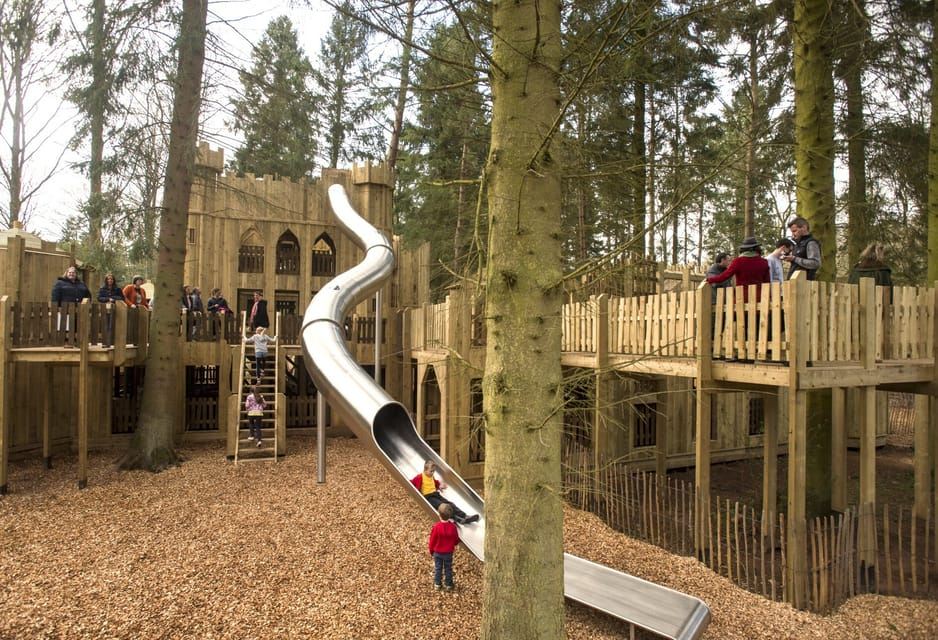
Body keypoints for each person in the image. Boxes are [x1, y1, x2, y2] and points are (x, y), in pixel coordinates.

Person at [410, 460, 480, 525]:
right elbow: (411, 482)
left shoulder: (431, 476)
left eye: (433, 471)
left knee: (450, 504)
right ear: (425, 470)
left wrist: (440, 486)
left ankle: (465, 516)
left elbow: (435, 483)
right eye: (431, 471)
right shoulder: (420, 477)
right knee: (444, 507)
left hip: (436, 494)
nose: (432, 473)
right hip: (429, 497)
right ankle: (458, 519)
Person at [706, 236, 770, 303]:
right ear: (757, 249)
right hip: (760, 298)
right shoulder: (764, 262)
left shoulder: (738, 261)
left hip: (742, 298)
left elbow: (724, 276)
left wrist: (710, 279)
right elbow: (767, 282)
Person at [428, 502, 459, 592]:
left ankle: (437, 584)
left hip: (438, 552)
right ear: (450, 516)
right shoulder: (453, 527)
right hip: (448, 553)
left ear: (439, 515)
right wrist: (455, 543)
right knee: (448, 568)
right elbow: (456, 539)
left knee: (438, 568)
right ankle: (448, 584)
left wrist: (431, 550)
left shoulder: (436, 527)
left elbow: (432, 541)